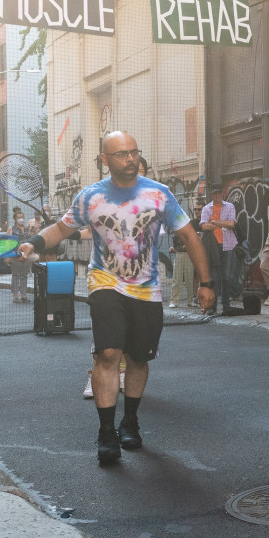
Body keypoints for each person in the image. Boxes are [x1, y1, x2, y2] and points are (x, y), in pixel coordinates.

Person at [19, 131, 214, 465]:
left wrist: (206, 282)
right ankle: (106, 432)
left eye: (133, 152)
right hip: (105, 282)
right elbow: (62, 229)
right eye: (121, 154)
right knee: (108, 354)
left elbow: (188, 235)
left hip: (146, 288)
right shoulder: (91, 197)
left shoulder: (159, 194)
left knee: (138, 359)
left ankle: (130, 421)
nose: (130, 159)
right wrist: (34, 243)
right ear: (104, 160)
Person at [200, 186, 239, 313]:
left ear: (222, 194)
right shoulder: (206, 208)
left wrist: (215, 222)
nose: (217, 196)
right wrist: (223, 223)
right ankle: (213, 306)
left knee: (227, 276)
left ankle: (226, 305)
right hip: (213, 246)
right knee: (214, 277)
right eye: (214, 194)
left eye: (219, 193)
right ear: (212, 195)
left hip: (228, 244)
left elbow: (232, 224)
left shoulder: (230, 206)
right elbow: (204, 226)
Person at [6, 211, 32, 303]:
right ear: (15, 219)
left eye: (22, 217)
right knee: (16, 275)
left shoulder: (26, 228)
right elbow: (8, 243)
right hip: (15, 255)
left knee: (24, 275)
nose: (21, 219)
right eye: (19, 217)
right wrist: (8, 256)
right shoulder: (11, 229)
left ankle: (24, 295)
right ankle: (15, 296)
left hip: (25, 255)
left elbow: (30, 240)